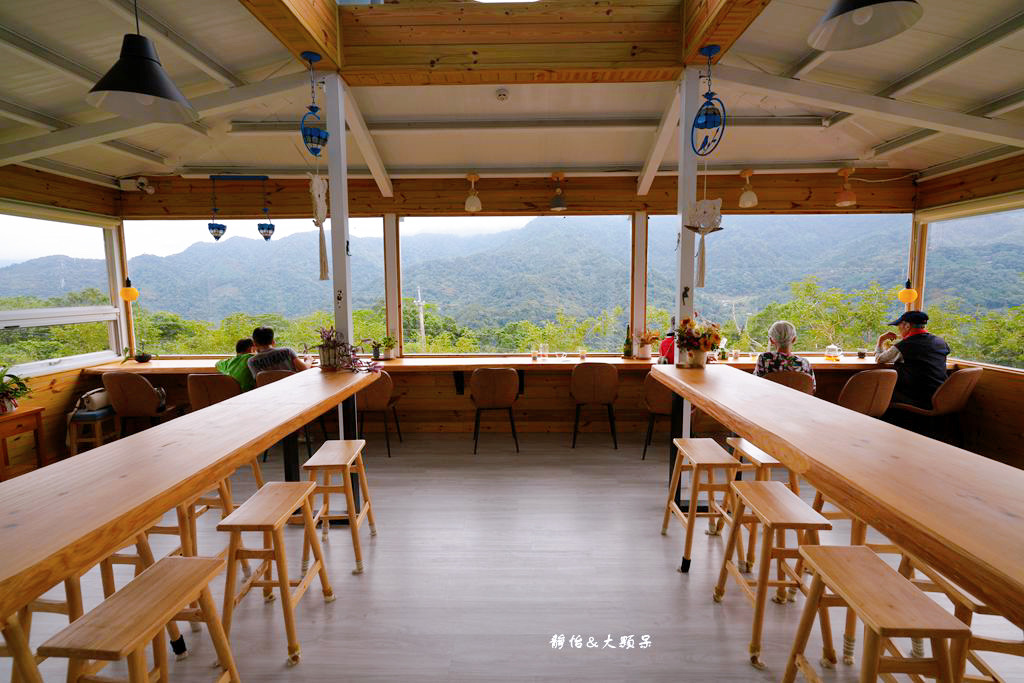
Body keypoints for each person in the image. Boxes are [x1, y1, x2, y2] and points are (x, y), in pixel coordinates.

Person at [875, 310, 950, 409]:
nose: (898, 329)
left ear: (907, 326)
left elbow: (879, 359)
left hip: (917, 398)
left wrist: (880, 340)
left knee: (878, 394)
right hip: (942, 396)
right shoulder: (940, 342)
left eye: (899, 325)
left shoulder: (904, 346)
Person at [754, 320, 816, 392]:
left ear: (771, 340)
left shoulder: (764, 358)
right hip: (797, 402)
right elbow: (812, 388)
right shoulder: (803, 363)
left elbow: (756, 383)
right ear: (794, 339)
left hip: (770, 401)